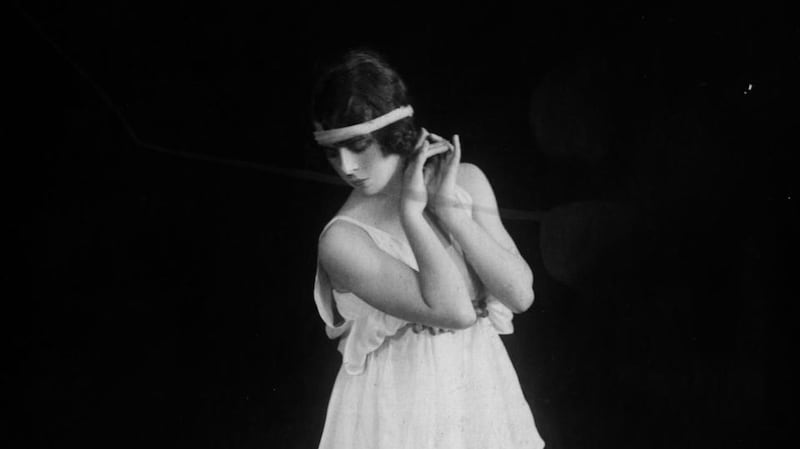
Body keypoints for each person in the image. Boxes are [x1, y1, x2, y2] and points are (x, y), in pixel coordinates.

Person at [311, 49, 545, 449]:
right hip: (395, 407)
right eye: (333, 151)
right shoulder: (341, 241)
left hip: (478, 393)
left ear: (392, 134)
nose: (346, 166)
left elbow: (521, 295)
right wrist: (413, 217)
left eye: (359, 145)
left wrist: (449, 213)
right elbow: (453, 311)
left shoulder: (466, 181)